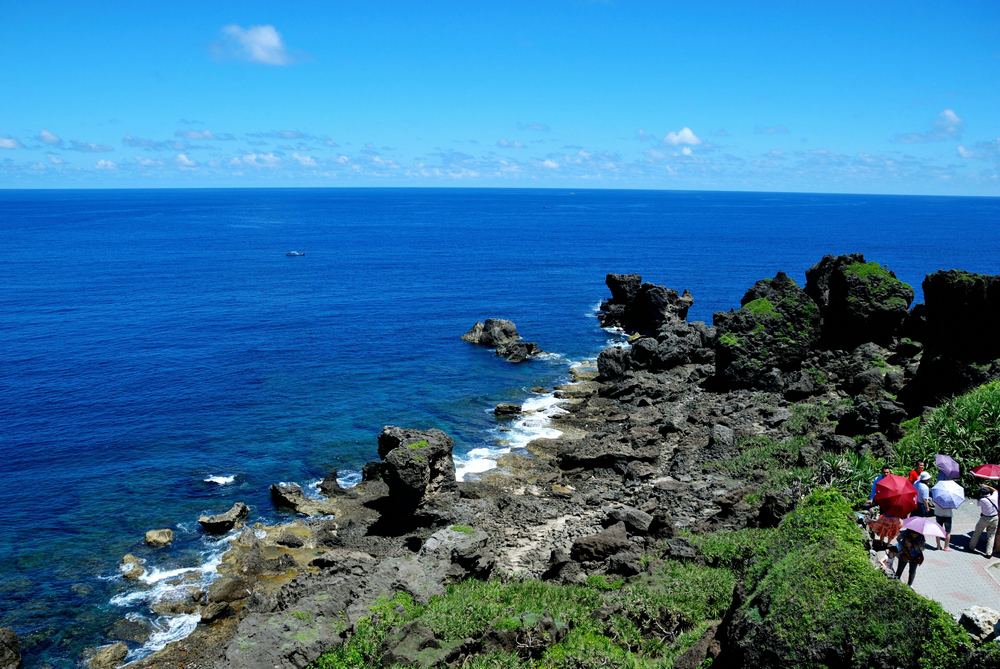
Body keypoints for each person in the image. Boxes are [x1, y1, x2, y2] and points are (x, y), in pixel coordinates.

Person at [970, 484, 1000, 558]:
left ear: (982, 493)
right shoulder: (994, 496)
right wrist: (988, 486)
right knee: (991, 536)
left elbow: (978, 505)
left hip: (984, 518)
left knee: (977, 533)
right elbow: (995, 490)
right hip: (995, 518)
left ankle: (971, 547)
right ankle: (988, 553)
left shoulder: (982, 500)